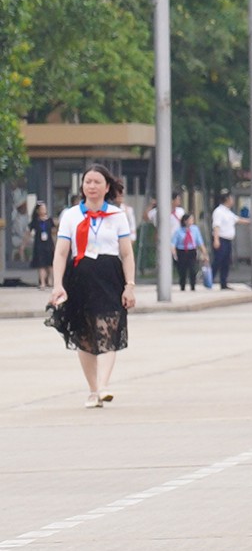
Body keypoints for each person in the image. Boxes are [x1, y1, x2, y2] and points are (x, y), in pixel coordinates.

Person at [49, 165, 135, 406]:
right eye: (88, 181)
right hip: (80, 276)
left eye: (97, 182)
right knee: (84, 335)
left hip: (109, 276)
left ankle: (104, 385)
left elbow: (127, 254)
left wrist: (130, 284)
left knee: (109, 328)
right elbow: (61, 253)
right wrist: (58, 284)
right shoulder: (71, 215)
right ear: (83, 186)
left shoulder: (117, 216)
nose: (92, 186)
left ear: (107, 187)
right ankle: (93, 389)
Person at [210, 190, 245, 290]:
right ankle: (209, 280)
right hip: (221, 239)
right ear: (227, 199)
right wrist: (216, 240)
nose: (232, 200)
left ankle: (223, 283)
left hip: (228, 240)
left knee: (226, 262)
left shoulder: (228, 212)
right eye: (231, 198)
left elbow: (237, 219)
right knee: (218, 261)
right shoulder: (219, 211)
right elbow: (216, 226)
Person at [172, 211, 204, 292]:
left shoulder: (195, 229)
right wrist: (174, 253)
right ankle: (182, 287)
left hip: (191, 251)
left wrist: (204, 253)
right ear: (185, 221)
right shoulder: (178, 231)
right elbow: (173, 243)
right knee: (182, 270)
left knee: (193, 269)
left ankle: (193, 286)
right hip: (182, 251)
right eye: (190, 219)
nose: (192, 221)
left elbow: (199, 242)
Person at [28, 202, 55, 290]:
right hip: (39, 244)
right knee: (41, 264)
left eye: (45, 208)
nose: (44, 210)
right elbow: (28, 232)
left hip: (49, 244)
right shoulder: (35, 221)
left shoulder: (49, 220)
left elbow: (54, 231)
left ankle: (50, 280)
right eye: (42, 209)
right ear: (38, 211)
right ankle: (42, 282)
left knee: (50, 264)